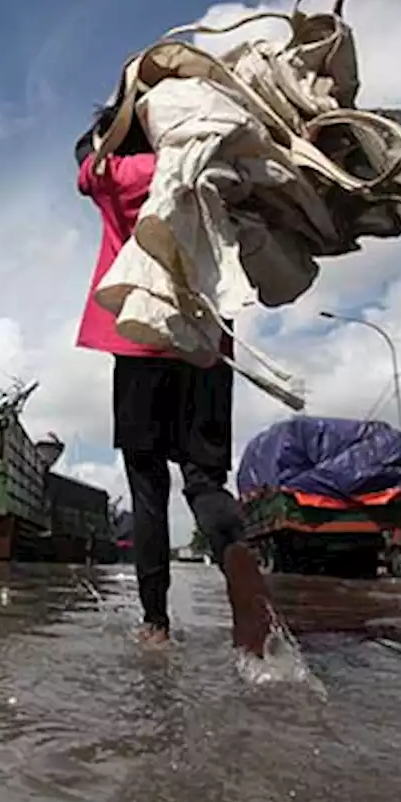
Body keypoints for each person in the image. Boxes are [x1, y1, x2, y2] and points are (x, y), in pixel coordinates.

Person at [74, 108, 275, 656]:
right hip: (205, 344)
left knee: (147, 489)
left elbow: (84, 166)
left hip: (140, 339)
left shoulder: (114, 174)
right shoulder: (214, 165)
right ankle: (246, 594)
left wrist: (112, 125)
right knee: (205, 481)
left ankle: (156, 624)